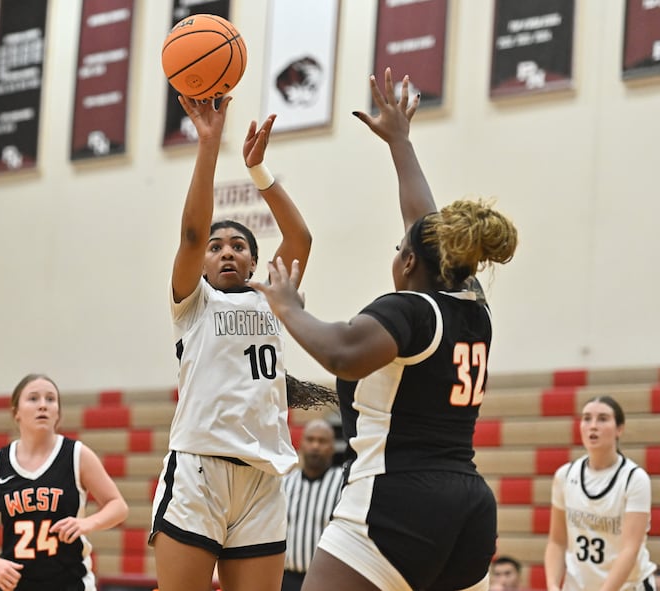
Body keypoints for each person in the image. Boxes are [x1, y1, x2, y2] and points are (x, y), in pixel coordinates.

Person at [250, 67, 518, 591]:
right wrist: (400, 143)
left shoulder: (410, 309)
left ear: (411, 262)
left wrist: (288, 308)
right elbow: (426, 225)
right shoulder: (472, 304)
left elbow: (344, 352)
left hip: (396, 500)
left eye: (399, 250)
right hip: (468, 507)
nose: (394, 254)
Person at [149, 93, 312, 591]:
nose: (225, 253)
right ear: (201, 263)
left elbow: (301, 238)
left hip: (262, 478)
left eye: (238, 247)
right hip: (200, 470)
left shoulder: (273, 299)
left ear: (252, 260)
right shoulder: (193, 303)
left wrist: (258, 171)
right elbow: (193, 232)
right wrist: (209, 143)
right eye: (216, 248)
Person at [0, 374, 129, 591]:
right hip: (17, 585)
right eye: (33, 398)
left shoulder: (76, 455)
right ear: (16, 413)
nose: (43, 405)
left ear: (58, 413)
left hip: (71, 583)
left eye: (50, 399)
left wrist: (87, 523)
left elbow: (118, 506)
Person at [544, 396, 657, 591]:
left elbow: (630, 550)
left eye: (603, 419)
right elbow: (557, 541)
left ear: (619, 429)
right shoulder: (565, 475)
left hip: (627, 587)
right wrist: (553, 585)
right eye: (587, 418)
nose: (593, 425)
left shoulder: (635, 478)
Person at [282, 419, 344, 591]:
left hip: (327, 581)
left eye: (322, 441)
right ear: (301, 444)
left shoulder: (343, 485)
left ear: (332, 446)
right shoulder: (285, 484)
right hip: (287, 578)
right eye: (310, 439)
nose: (315, 446)